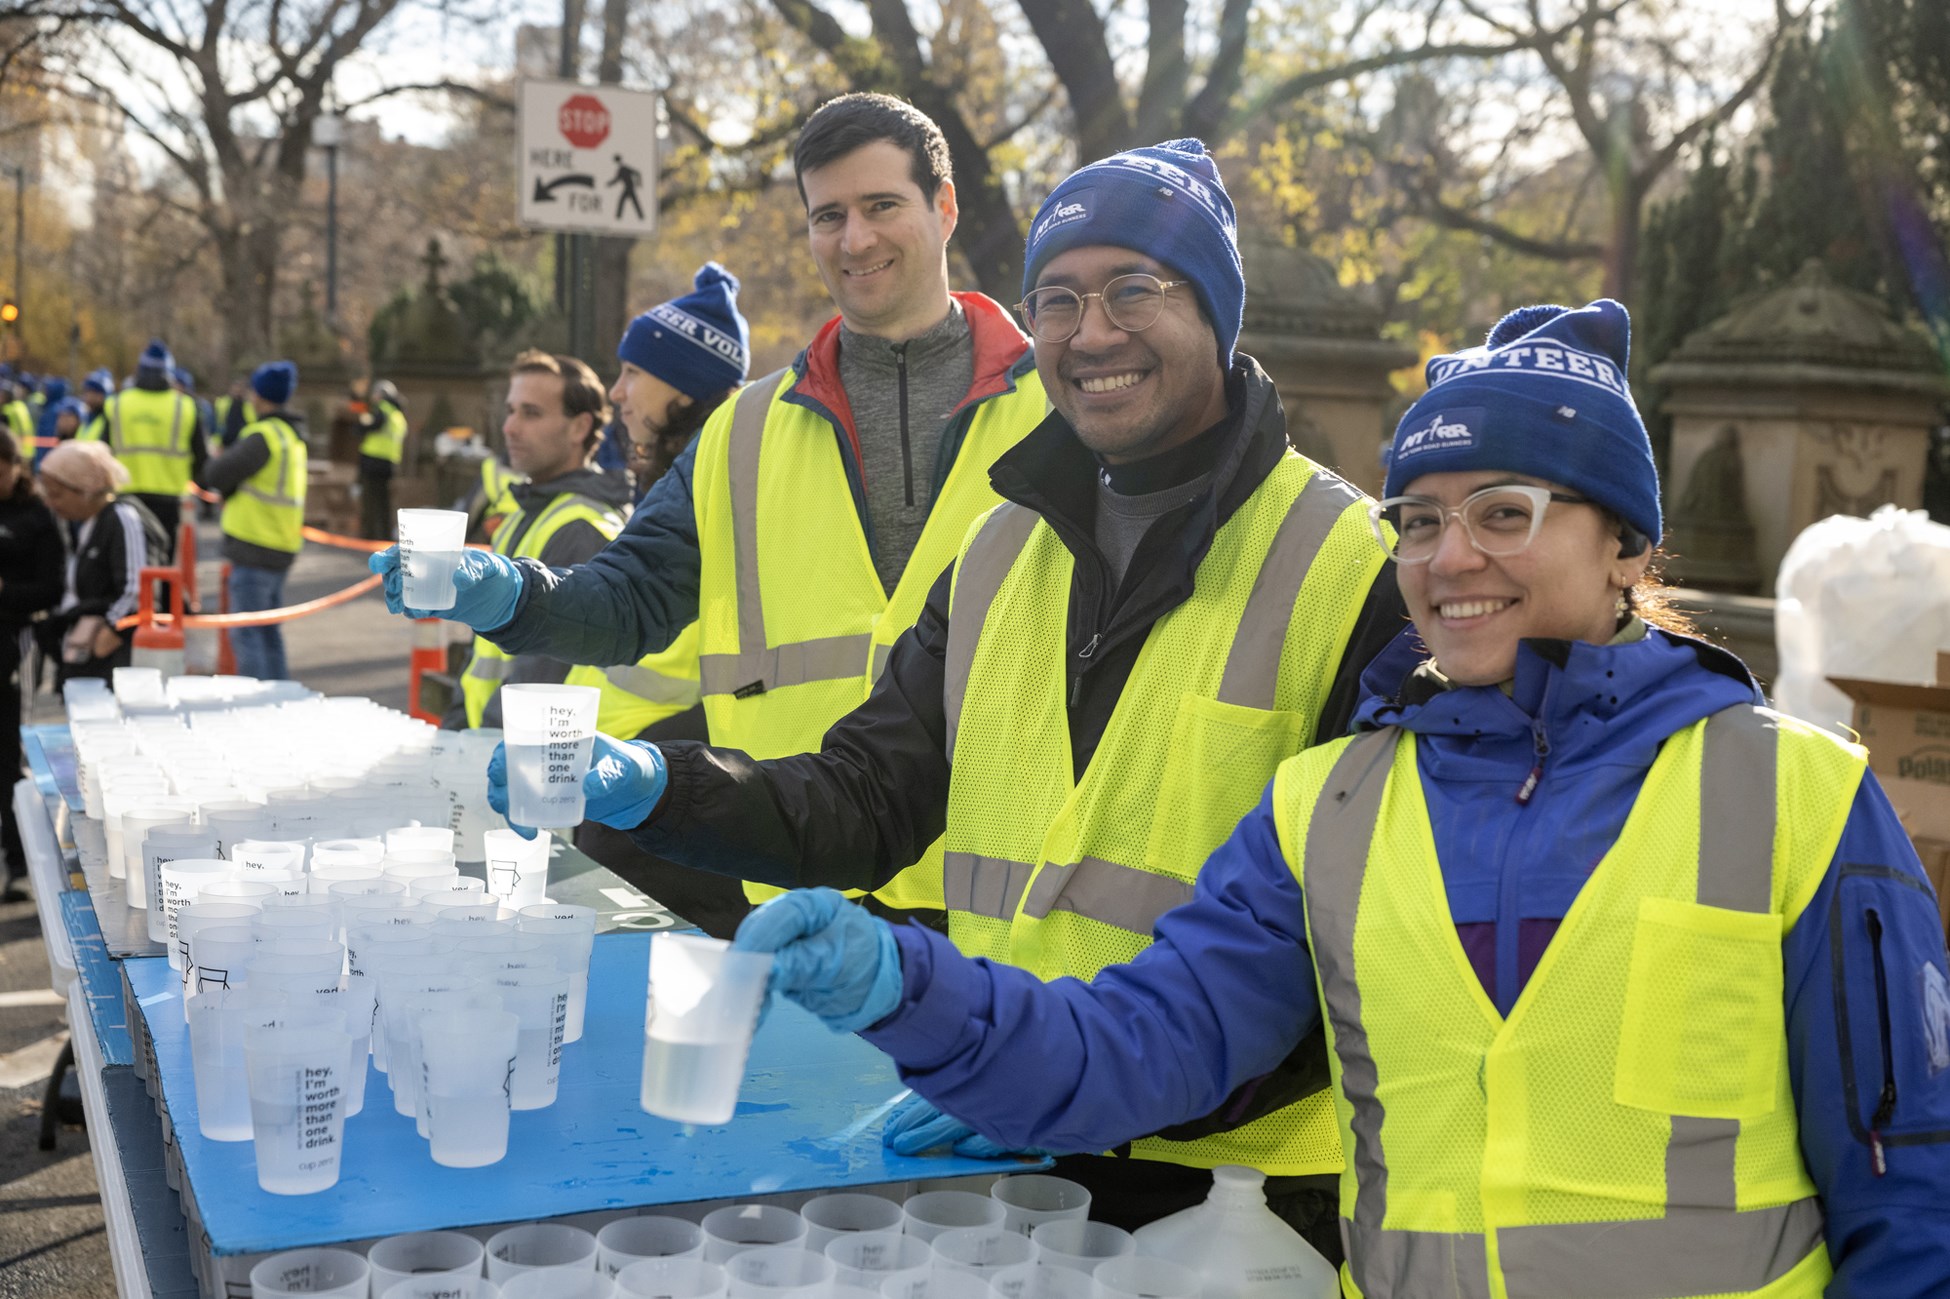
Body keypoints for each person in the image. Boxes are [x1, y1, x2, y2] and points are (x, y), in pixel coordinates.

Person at [735, 299, 1950, 1297]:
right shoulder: (1328, 808)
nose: (1448, 558)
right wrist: (913, 990)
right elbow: (1141, 1050)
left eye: (1505, 513)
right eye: (1417, 520)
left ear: (1628, 546)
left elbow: (1912, 1191)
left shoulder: (1795, 795)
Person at [487, 139, 1408, 1240]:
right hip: (1009, 1156)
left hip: (1245, 1198)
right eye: (1057, 298)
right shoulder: (998, 552)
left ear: (1216, 310)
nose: (1093, 331)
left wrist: (1061, 1080)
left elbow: (1354, 960)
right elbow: (866, 797)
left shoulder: (1358, 566)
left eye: (1135, 289)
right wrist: (655, 786)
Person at [372, 92, 1051, 921]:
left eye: (882, 206)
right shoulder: (744, 431)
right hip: (799, 889)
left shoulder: (1065, 410)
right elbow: (632, 596)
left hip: (1006, 906)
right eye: (827, 214)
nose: (855, 238)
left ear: (944, 208)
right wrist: (516, 594)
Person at [571, 265, 753, 938]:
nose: (616, 391)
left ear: (685, 384)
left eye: (634, 372)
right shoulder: (674, 486)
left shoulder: (724, 488)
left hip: (671, 799)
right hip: (632, 788)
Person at [449, 351, 639, 730]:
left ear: (579, 428)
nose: (510, 428)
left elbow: (541, 685)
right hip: (484, 749)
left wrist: (470, 746)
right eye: (511, 411)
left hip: (513, 757)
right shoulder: (523, 512)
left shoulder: (582, 529)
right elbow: (481, 653)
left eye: (531, 413)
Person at [197, 362, 306, 681]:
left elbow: (216, 474)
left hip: (254, 545)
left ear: (259, 396)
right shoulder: (291, 436)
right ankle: (279, 699)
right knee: (269, 633)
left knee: (248, 635)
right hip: (280, 545)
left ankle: (256, 704)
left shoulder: (263, 436)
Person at [34, 440, 167, 686]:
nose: (51, 504)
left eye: (57, 495)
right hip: (88, 656)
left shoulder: (122, 518)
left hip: (111, 665)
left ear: (84, 489)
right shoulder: (88, 522)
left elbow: (137, 592)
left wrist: (110, 632)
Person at [0, 427, 65, 900]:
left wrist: (7, 594)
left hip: (16, 640)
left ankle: (18, 859)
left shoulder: (36, 517)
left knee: (8, 752)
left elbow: (51, 589)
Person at [78, 339, 206, 552]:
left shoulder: (118, 403)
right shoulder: (184, 406)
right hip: (170, 497)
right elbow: (200, 455)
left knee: (129, 557)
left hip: (125, 494)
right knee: (166, 562)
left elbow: (102, 451)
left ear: (140, 369)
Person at [356, 379, 409, 541]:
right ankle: (384, 536)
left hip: (373, 463)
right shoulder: (398, 416)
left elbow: (370, 425)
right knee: (385, 504)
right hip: (389, 465)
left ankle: (370, 537)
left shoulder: (382, 409)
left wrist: (361, 421)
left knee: (370, 503)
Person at [214, 379, 256, 449]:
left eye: (240, 388)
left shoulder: (249, 405)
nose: (237, 390)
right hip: (224, 442)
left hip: (241, 443)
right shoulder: (222, 402)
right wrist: (217, 442)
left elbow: (252, 424)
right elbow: (217, 424)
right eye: (236, 387)